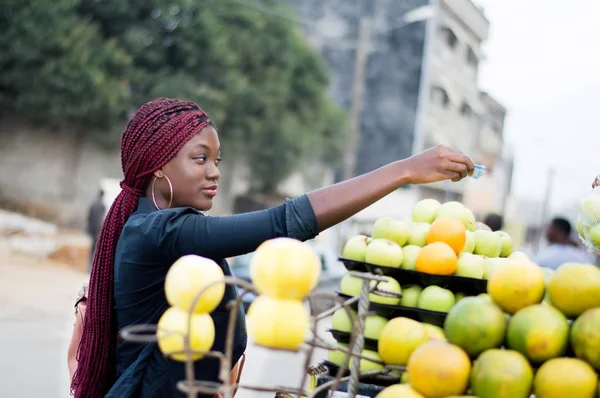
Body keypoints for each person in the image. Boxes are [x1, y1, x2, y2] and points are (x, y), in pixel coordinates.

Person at [69, 98, 475, 398]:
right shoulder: (158, 231)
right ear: (158, 165)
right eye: (200, 158)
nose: (215, 172)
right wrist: (403, 170)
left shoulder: (161, 228)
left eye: (217, 159)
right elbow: (284, 222)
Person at [86, 189, 106, 268]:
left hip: (93, 228)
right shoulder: (102, 205)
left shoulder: (93, 204)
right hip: (98, 229)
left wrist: (89, 228)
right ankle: (92, 266)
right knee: (96, 248)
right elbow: (102, 218)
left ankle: (90, 265)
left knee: (92, 248)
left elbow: (89, 217)